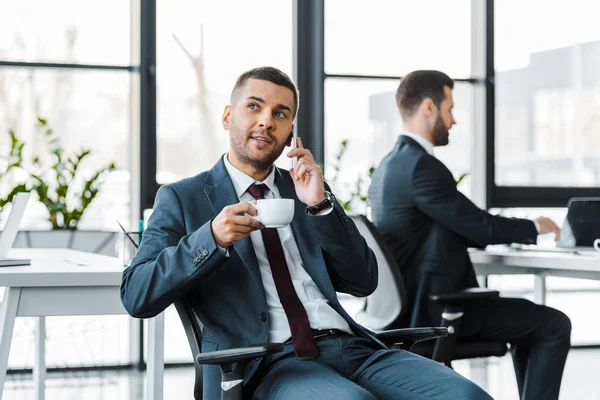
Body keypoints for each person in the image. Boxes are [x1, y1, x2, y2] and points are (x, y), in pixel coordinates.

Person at [120, 66, 491, 399]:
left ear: (290, 133)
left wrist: (321, 206)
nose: (267, 121)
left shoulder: (305, 188)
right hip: (268, 363)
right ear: (227, 116)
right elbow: (137, 294)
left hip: (353, 347)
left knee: (466, 396)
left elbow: (363, 282)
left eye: (280, 113)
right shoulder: (182, 198)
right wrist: (212, 238)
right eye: (254, 107)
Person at [369, 70, 572, 400]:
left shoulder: (389, 166)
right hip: (435, 311)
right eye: (450, 108)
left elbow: (459, 225)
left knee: (532, 324)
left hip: (413, 305)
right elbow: (479, 226)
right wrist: (536, 227)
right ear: (429, 108)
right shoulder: (421, 167)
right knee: (553, 324)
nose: (454, 120)